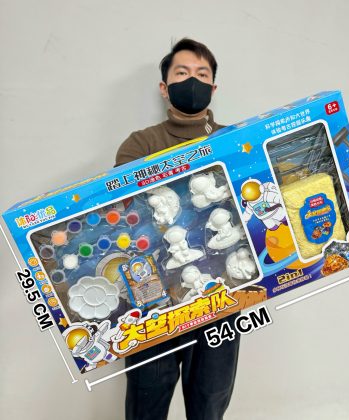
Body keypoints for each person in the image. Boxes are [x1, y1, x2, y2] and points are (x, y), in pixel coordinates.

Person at [115, 38, 241, 420]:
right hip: (153, 298)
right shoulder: (140, 144)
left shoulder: (234, 141)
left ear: (213, 87)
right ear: (164, 86)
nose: (192, 81)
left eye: (202, 74)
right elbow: (124, 215)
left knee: (210, 401)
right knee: (147, 401)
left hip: (221, 294)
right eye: (182, 73)